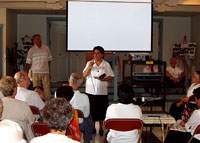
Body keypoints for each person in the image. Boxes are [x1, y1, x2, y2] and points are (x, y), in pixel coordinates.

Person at [83, 46, 114, 135]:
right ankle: (92, 127)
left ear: (102, 54)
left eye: (97, 53)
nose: (95, 55)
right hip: (90, 91)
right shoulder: (89, 63)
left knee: (101, 110)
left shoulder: (106, 64)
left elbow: (111, 75)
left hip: (102, 91)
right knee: (91, 110)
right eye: (94, 53)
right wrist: (89, 66)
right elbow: (84, 75)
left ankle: (101, 127)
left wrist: (105, 79)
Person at [0, 76, 35, 141]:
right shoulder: (23, 105)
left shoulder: (0, 105)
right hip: (22, 139)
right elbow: (32, 122)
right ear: (15, 90)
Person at [25, 34, 53, 100]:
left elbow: (49, 60)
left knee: (47, 89)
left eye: (39, 39)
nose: (39, 40)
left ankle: (48, 102)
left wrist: (45, 67)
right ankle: (37, 101)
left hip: (45, 72)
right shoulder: (31, 50)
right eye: (37, 39)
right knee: (36, 89)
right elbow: (28, 63)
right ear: (34, 41)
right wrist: (26, 71)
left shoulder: (46, 48)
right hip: (35, 73)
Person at [69, 72, 93, 142]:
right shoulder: (84, 97)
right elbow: (86, 114)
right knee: (89, 117)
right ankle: (88, 140)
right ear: (80, 84)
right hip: (79, 124)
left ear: (69, 80)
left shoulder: (58, 93)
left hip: (64, 123)